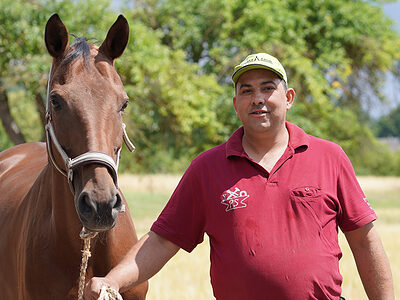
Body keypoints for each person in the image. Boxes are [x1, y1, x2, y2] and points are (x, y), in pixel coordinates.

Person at [84, 53, 395, 300]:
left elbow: (365, 242)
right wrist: (112, 280)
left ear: (288, 98)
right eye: (246, 91)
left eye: (267, 88)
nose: (257, 98)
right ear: (236, 105)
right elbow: (162, 241)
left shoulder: (329, 157)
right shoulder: (207, 168)